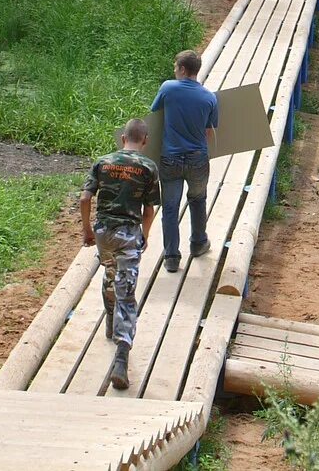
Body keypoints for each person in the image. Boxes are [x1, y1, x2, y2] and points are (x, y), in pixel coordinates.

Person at [80, 117, 160, 391]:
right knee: (127, 291)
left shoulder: (103, 162)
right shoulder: (149, 167)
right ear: (145, 141)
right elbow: (149, 210)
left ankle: (110, 322)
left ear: (123, 138)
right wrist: (145, 236)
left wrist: (87, 230)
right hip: (129, 235)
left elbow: (84, 198)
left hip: (103, 233)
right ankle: (121, 359)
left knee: (109, 272)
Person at [150, 50, 219, 274]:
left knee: (170, 208)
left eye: (175, 67)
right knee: (198, 199)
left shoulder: (168, 88)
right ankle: (198, 243)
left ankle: (171, 257)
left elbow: (154, 114)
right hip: (198, 158)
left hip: (170, 158)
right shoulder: (210, 97)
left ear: (182, 69)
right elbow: (209, 132)